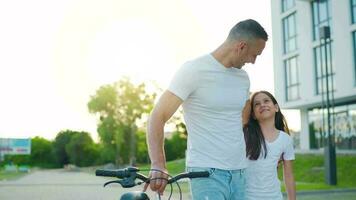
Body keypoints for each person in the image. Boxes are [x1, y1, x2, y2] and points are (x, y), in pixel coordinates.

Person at [145, 19, 268, 200]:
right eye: (254, 55)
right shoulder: (194, 70)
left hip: (240, 172)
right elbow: (158, 115)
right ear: (241, 46)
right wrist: (158, 163)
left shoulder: (243, 78)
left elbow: (241, 122)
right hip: (207, 173)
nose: (254, 61)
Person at [243, 91, 296, 200]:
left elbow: (288, 175)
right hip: (247, 197)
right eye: (257, 104)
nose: (262, 105)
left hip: (274, 197)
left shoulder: (285, 139)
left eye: (266, 101)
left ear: (276, 107)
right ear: (253, 114)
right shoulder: (245, 135)